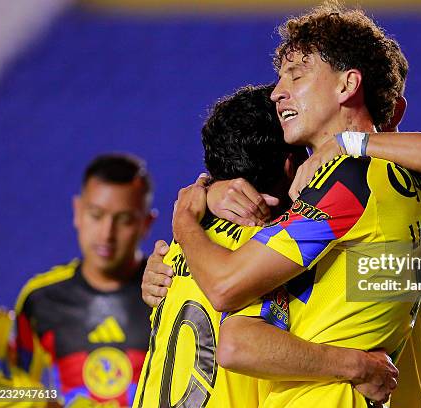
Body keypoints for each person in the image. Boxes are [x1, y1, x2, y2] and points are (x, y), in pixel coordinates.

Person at [166, 4, 421, 408]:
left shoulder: (353, 181)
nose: (277, 91)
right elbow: (240, 340)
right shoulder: (330, 187)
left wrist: (186, 224)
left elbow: (228, 294)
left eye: (296, 75)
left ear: (346, 85)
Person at [133, 85, 399, 408]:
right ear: (291, 165)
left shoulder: (182, 245)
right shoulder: (266, 251)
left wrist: (202, 196)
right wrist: (357, 367)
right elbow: (237, 344)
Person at [10, 153, 156, 407]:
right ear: (77, 211)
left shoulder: (169, 293)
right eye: (96, 215)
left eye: (124, 220)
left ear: (146, 224)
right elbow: (17, 390)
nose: (107, 234)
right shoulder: (39, 298)